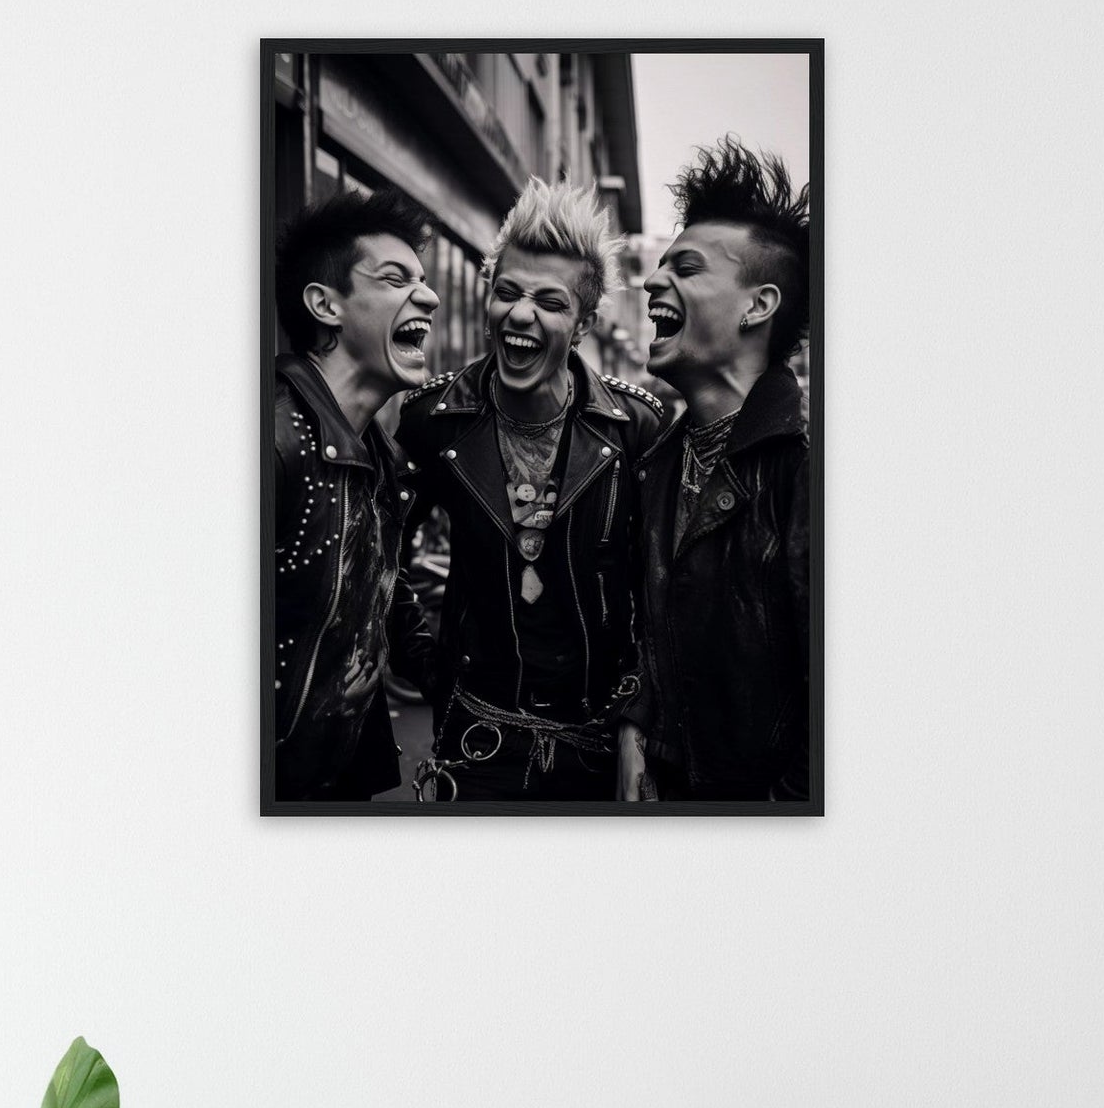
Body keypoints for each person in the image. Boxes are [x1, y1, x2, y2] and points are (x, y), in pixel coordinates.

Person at [397, 178, 663, 801]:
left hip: (602, 748)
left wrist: (637, 717)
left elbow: (662, 590)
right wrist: (428, 667)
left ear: (584, 323)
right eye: (507, 293)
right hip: (476, 745)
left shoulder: (636, 429)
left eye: (549, 302)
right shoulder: (432, 419)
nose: (520, 315)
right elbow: (381, 559)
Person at [619, 139, 812, 803]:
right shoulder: (658, 464)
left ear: (758, 306)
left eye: (687, 267)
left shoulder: (807, 461)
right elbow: (660, 629)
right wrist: (638, 724)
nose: (650, 283)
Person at [272, 186, 441, 800]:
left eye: (422, 279)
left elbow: (386, 592)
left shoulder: (380, 454)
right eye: (396, 279)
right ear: (325, 304)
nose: (429, 295)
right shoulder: (273, 440)